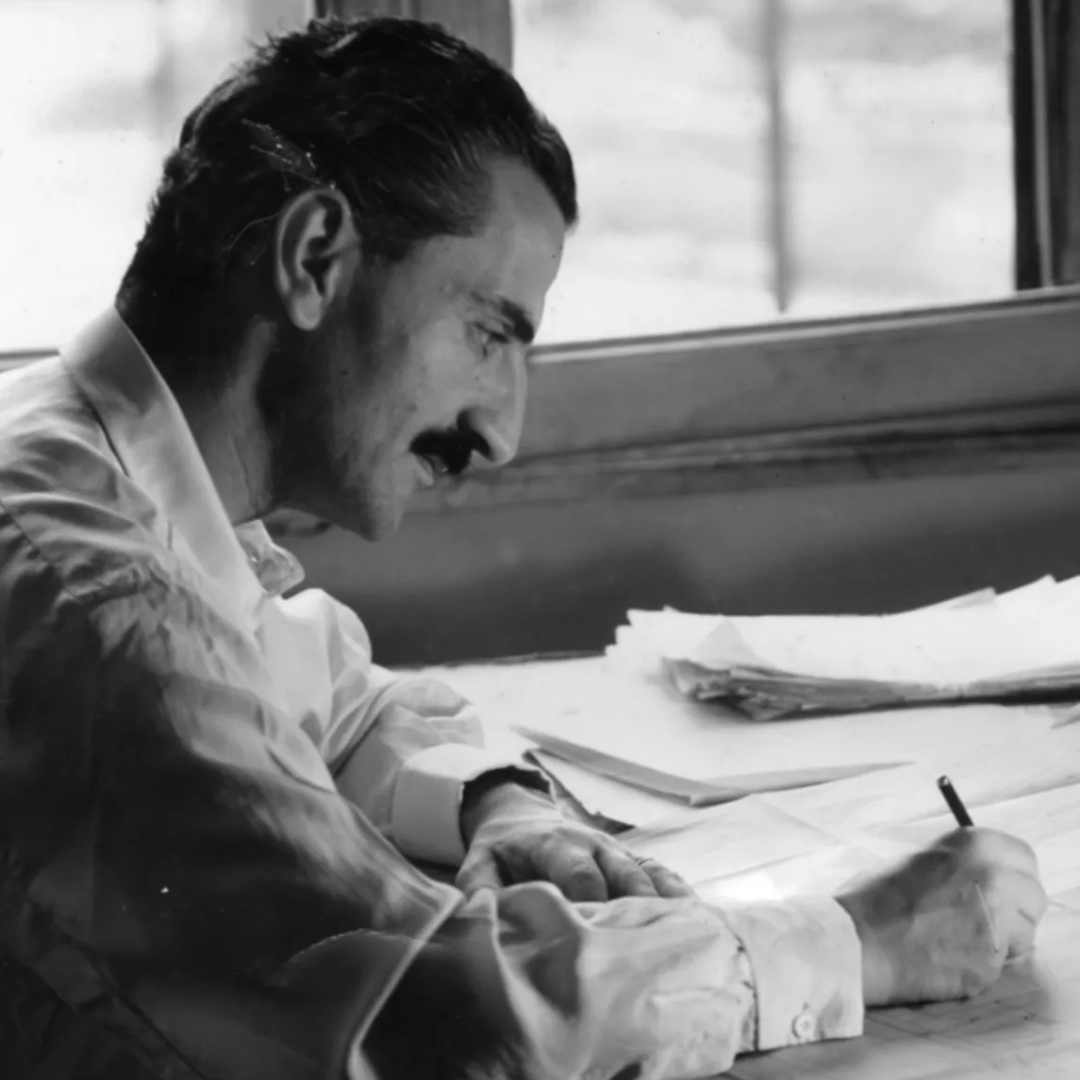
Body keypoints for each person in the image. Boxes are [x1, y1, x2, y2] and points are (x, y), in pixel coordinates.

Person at [0, 16, 1047, 1080]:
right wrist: (857, 942)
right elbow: (439, 1015)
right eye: (488, 333)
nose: (500, 432)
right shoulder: (104, 611)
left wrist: (495, 802)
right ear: (314, 257)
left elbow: (335, 703)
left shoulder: (83, 464)